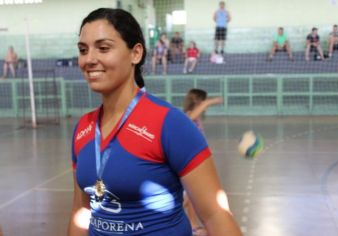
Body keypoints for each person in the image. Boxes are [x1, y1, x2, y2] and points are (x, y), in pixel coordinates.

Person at [68, 8, 242, 236]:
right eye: (83, 50)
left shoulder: (171, 124)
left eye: (103, 48)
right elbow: (81, 211)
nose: (89, 59)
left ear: (136, 53)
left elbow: (216, 215)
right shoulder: (83, 128)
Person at [183, 89, 223, 236]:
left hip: (197, 160)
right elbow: (191, 116)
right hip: (188, 161)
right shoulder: (188, 115)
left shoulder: (197, 118)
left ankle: (190, 224)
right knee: (192, 195)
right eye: (203, 101)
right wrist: (210, 102)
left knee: (191, 196)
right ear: (198, 102)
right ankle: (191, 226)